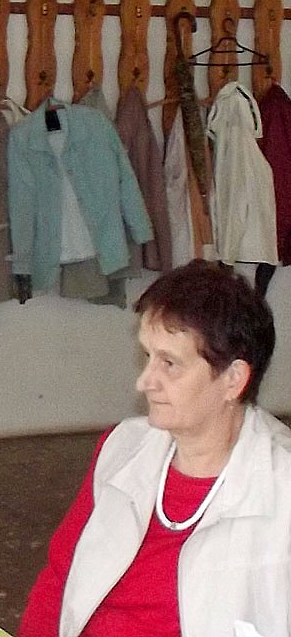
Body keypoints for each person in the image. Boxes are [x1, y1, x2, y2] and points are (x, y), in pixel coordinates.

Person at [19, 259, 291, 637]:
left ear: (233, 379)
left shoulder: (281, 488)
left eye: (170, 364)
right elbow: (59, 578)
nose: (145, 382)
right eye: (148, 356)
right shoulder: (122, 448)